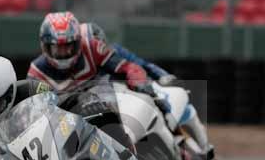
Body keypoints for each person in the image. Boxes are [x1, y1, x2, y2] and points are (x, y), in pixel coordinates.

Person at [27, 12, 172, 151]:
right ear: (45, 46)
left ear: (78, 42)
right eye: (58, 48)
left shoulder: (92, 47)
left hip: (103, 104)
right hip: (67, 121)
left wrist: (140, 83)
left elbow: (129, 67)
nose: (64, 53)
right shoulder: (36, 72)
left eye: (68, 46)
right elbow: (34, 112)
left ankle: (128, 150)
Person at [86, 22, 215, 160]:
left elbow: (142, 64)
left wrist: (163, 75)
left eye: (97, 41)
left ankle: (203, 147)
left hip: (137, 90)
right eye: (91, 43)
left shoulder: (115, 52)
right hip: (116, 105)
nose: (96, 46)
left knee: (170, 104)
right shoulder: (82, 67)